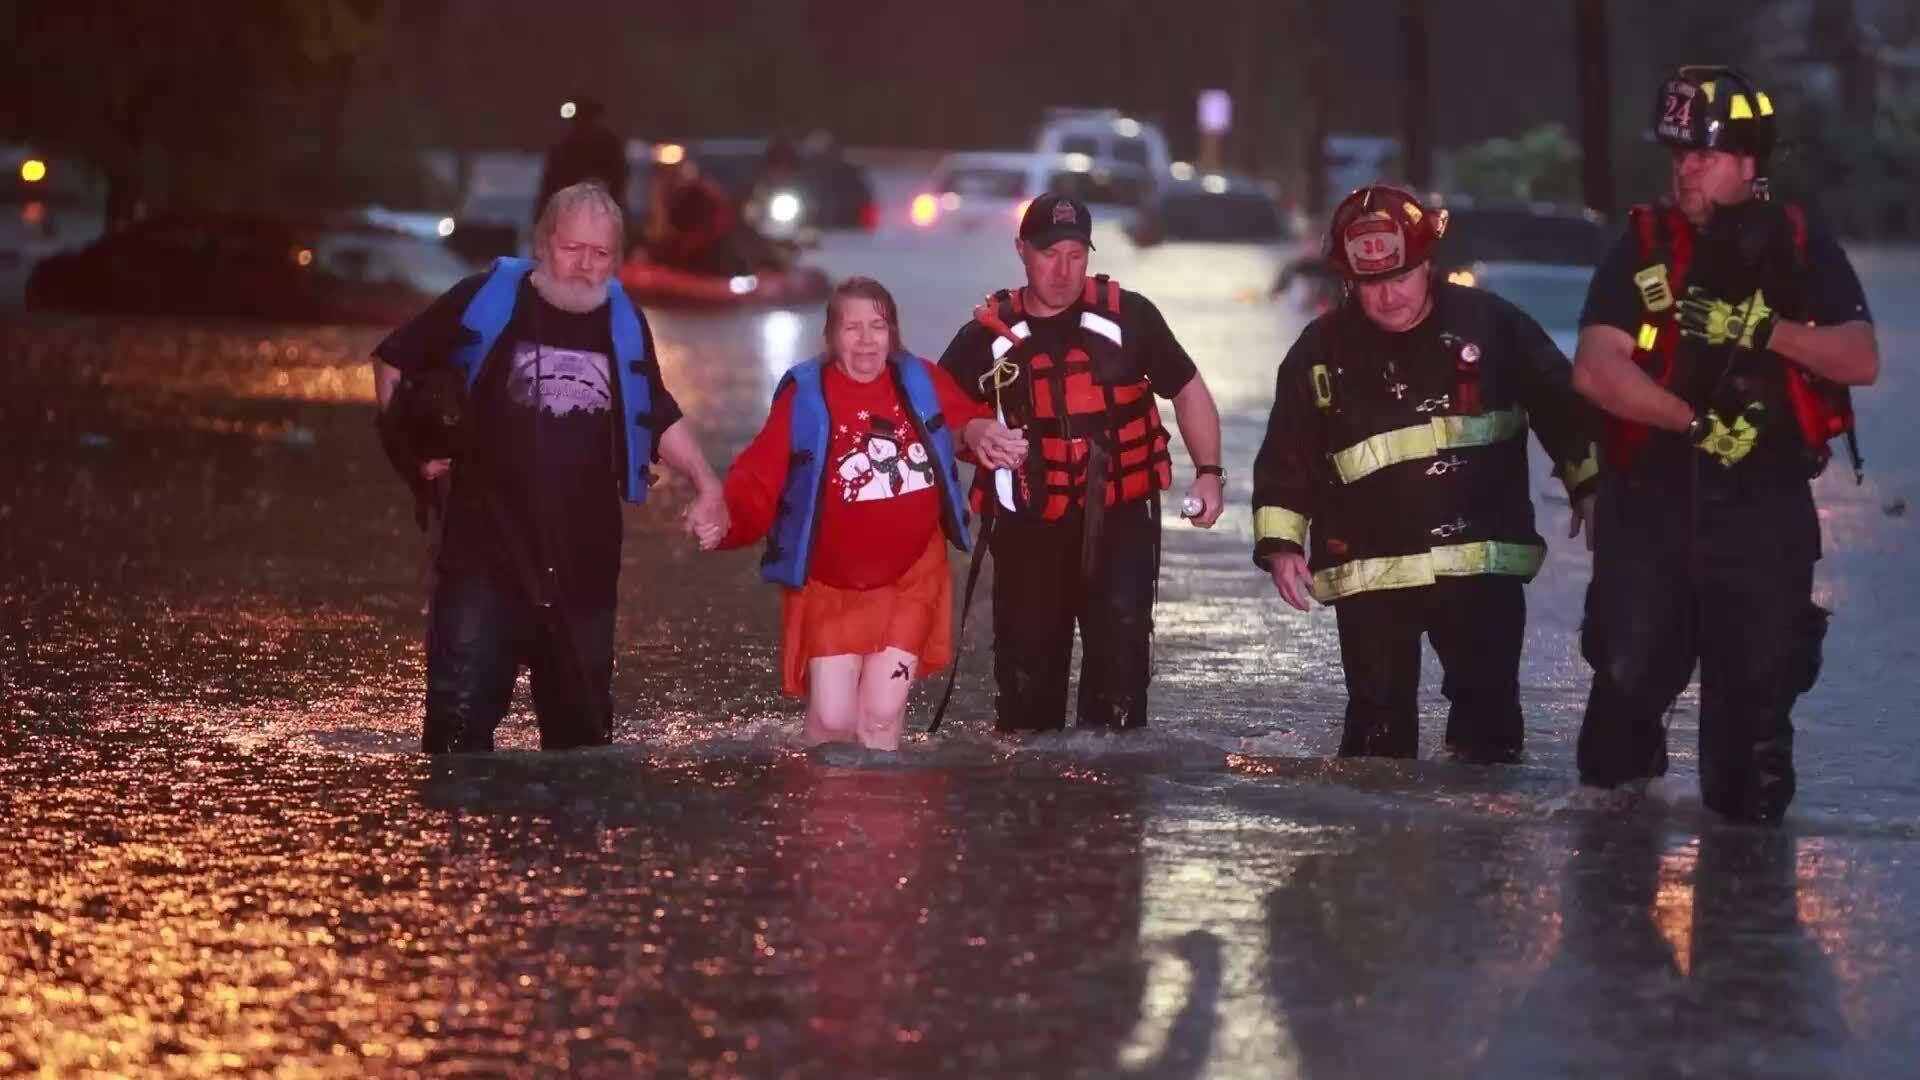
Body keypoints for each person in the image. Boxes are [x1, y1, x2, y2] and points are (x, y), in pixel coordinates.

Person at [1570, 66, 1878, 822]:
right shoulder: (1640, 246)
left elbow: (1861, 358)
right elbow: (1596, 369)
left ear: (1749, 163)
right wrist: (1693, 423)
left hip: (1765, 505)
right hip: (1651, 496)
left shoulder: (1806, 246)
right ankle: (1612, 871)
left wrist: (1764, 330)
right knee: (1628, 677)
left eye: (1702, 155)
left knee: (1753, 729)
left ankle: (1752, 912)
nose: (1685, 168)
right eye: (1677, 153)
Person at [372, 182, 729, 753]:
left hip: (584, 566)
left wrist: (709, 486)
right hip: (480, 558)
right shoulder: (483, 299)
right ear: (542, 243)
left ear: (617, 259)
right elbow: (393, 361)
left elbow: (656, 412)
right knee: (454, 746)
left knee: (582, 751)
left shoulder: (625, 323)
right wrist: (410, 452)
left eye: (601, 253)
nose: (585, 265)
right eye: (572, 248)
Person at [1250, 184, 1600, 762]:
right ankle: (1377, 848)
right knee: (1376, 746)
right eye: (1370, 284)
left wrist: (1589, 485)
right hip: (1370, 574)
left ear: (1429, 265)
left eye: (1400, 278)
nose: (1387, 297)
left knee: (1488, 736)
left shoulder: (1493, 326)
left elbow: (1562, 403)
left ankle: (1479, 846)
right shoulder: (1319, 352)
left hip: (1481, 570)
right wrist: (1282, 545)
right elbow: (1289, 451)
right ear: (1347, 280)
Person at [937, 193, 1225, 732]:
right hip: (1027, 524)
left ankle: (1111, 803)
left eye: (1076, 253)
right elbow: (929, 420)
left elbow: (1188, 391)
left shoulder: (1131, 316)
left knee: (1119, 675)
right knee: (1026, 683)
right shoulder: (986, 335)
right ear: (1022, 250)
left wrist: (1209, 473)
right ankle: (1032, 801)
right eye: (1049, 253)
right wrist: (970, 433)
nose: (1063, 270)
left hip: (1120, 519)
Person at [716, 277, 988, 749]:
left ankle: (886, 817)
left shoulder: (920, 381)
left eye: (877, 326)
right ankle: (822, 816)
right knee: (833, 720)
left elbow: (965, 423)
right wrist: (722, 520)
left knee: (882, 715)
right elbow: (758, 478)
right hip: (831, 584)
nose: (866, 339)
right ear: (830, 337)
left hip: (911, 577)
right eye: (852, 327)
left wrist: (988, 434)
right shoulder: (806, 397)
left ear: (894, 334)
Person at [641, 154, 748, 276]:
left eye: (675, 170)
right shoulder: (659, 200)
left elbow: (718, 231)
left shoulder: (706, 198)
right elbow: (658, 237)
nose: (671, 175)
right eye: (664, 172)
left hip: (707, 273)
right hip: (672, 273)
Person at [534, 96, 629, 221]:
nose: (584, 125)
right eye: (580, 120)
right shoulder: (563, 149)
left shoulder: (611, 147)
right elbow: (549, 187)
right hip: (570, 213)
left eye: (588, 119)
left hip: (606, 212)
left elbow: (619, 183)